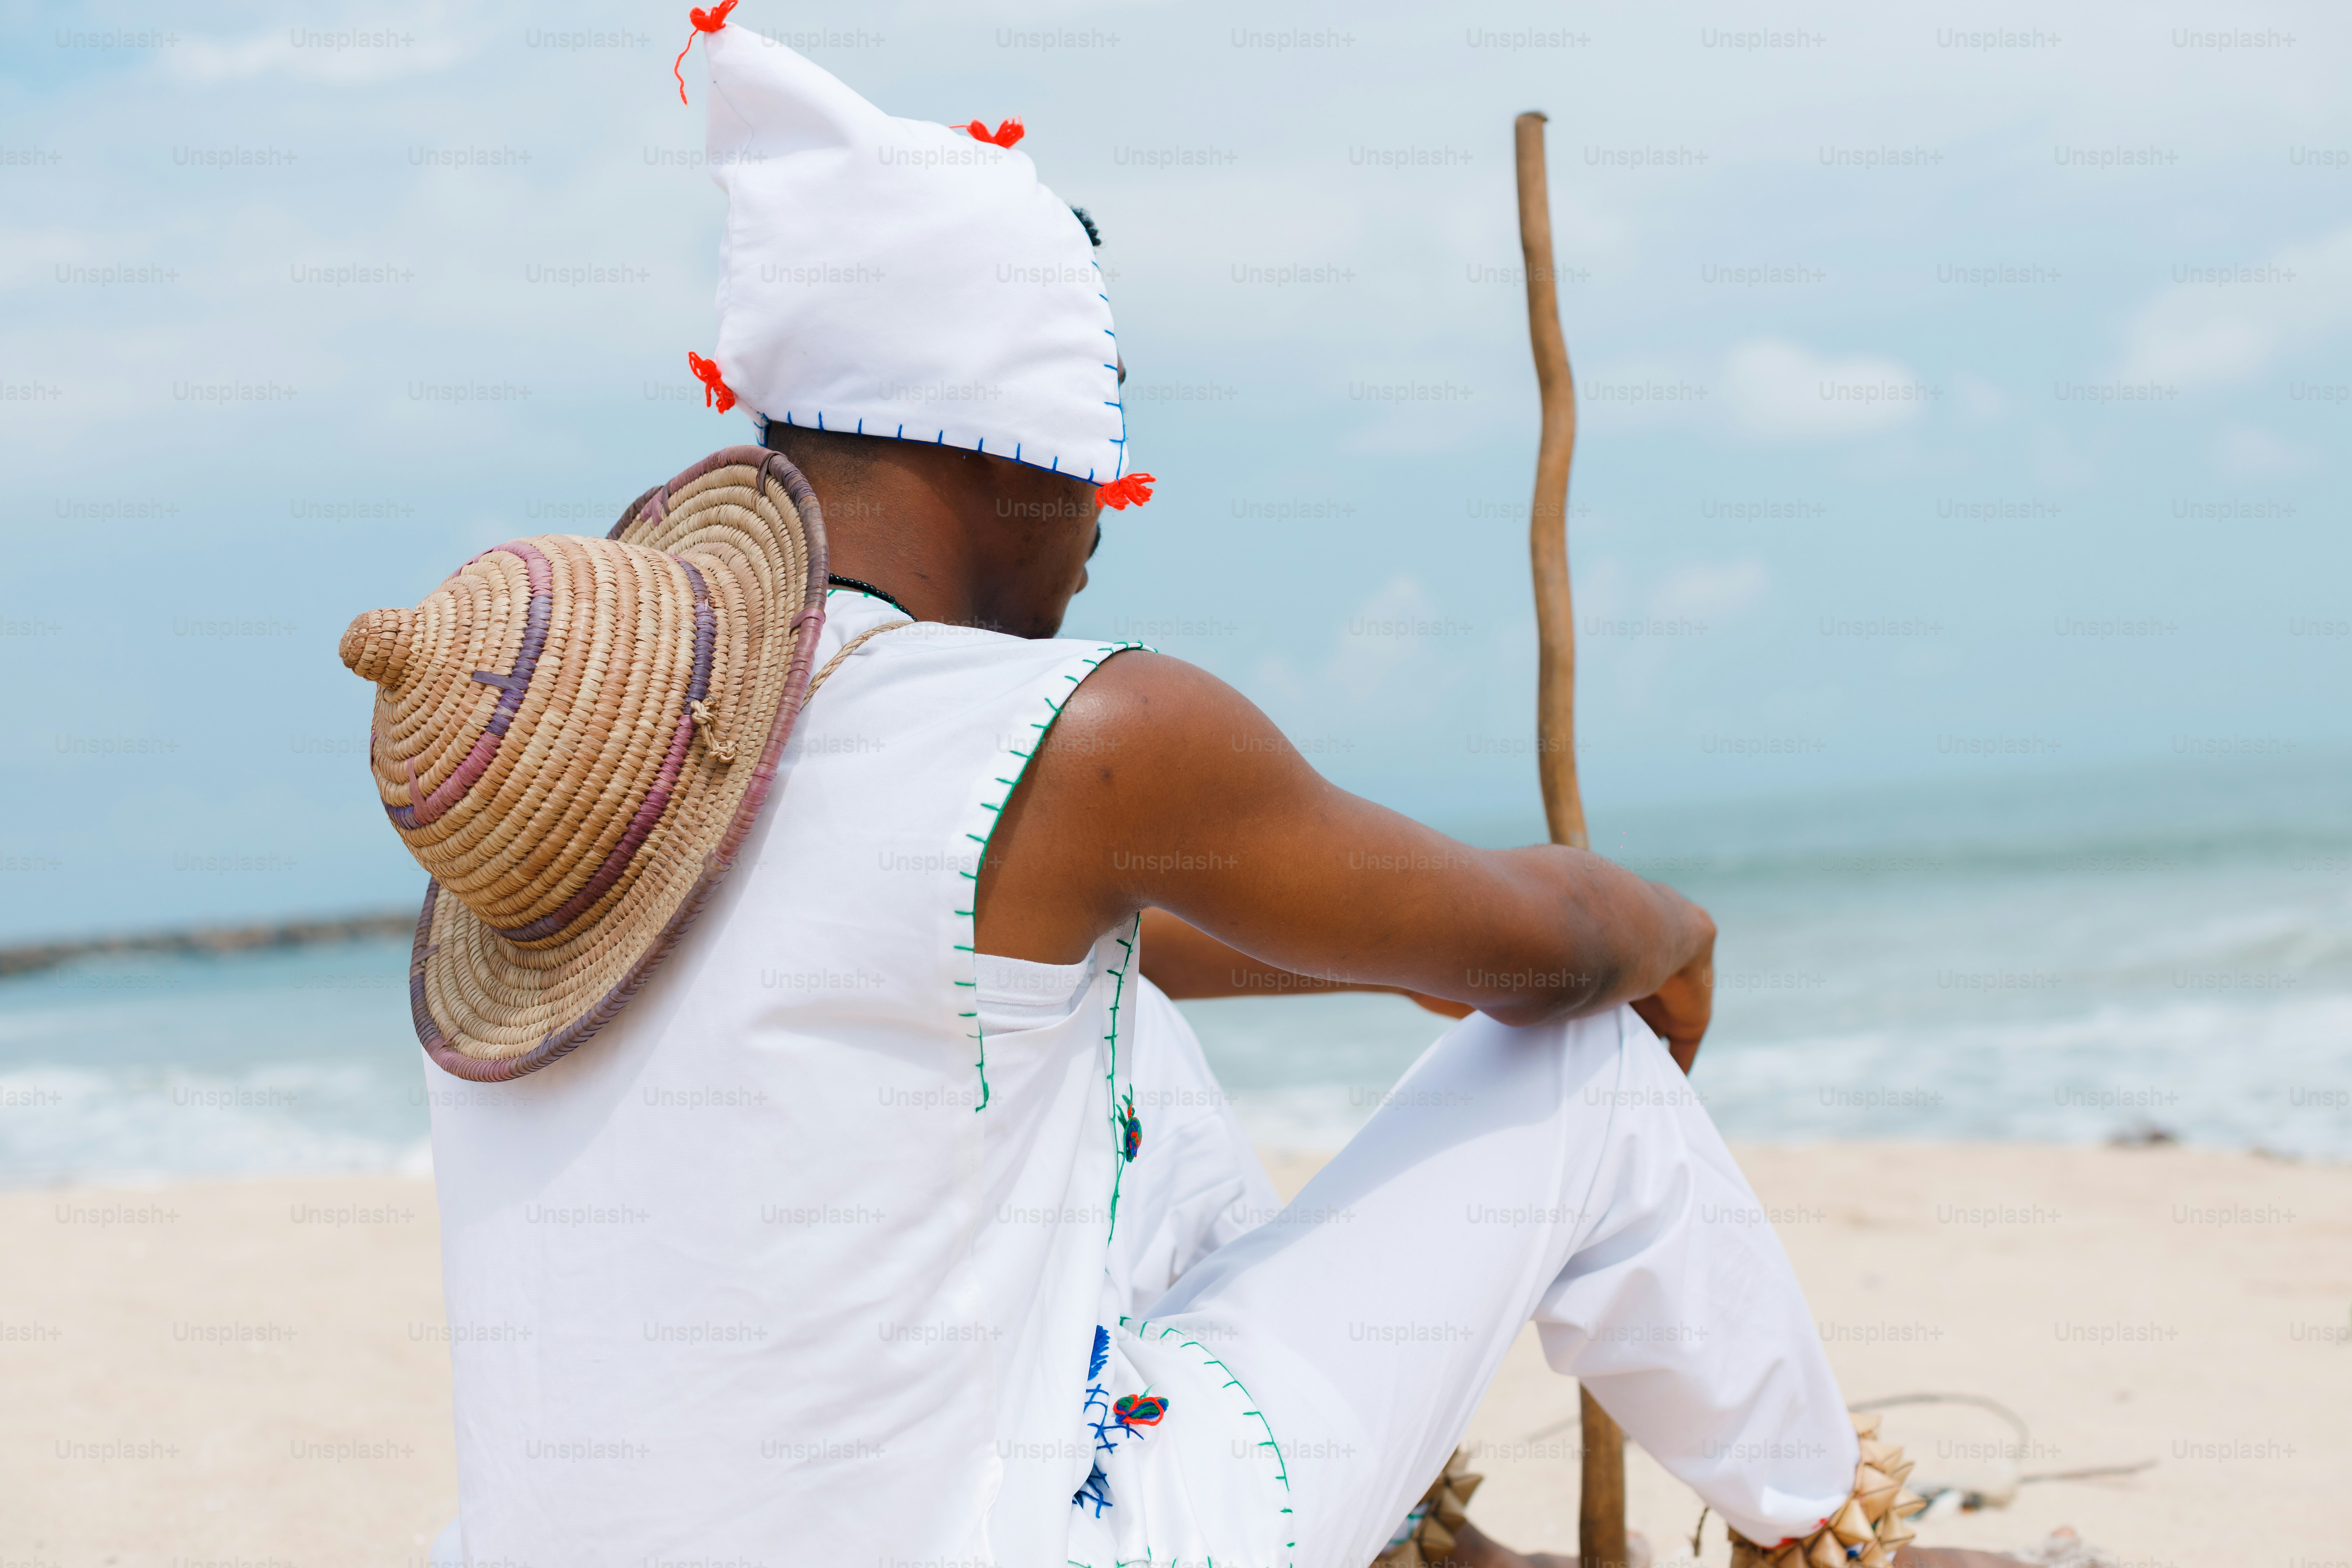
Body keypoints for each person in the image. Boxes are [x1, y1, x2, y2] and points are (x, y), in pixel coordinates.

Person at [358, 13, 2025, 1567]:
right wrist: (1656, 925)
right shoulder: (1090, 735)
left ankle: (1399, 1526)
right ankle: (1821, 1526)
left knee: (1122, 1011)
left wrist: (1402, 950)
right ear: (1004, 462)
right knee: (1587, 1069)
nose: (1103, 526)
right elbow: (1549, 945)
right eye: (1100, 465)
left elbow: (1132, 937)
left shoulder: (625, 791)